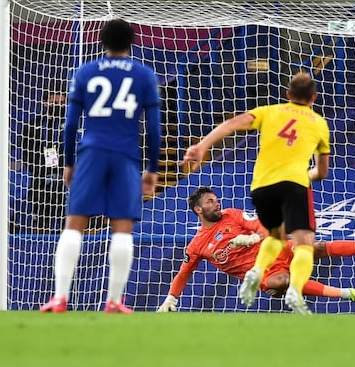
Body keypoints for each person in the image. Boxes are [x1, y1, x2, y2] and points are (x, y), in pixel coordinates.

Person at [182, 71, 330, 315]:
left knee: (275, 235)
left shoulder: (270, 111)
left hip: (261, 186)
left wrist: (202, 145)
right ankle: (294, 288)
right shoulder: (318, 124)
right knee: (305, 243)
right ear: (314, 97)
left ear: (288, 94)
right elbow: (321, 172)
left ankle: (256, 271)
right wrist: (308, 175)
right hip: (293, 184)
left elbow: (232, 124)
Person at [40, 19, 161, 314]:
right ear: (132, 42)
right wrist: (152, 168)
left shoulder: (86, 71)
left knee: (75, 223)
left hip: (91, 151)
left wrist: (69, 162)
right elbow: (154, 128)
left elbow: (70, 125)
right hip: (126, 154)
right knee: (122, 227)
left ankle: (59, 298)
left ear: (101, 41)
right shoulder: (144, 74)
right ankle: (114, 301)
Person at [156, 186, 355, 311]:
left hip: (273, 251)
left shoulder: (231, 215)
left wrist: (253, 238)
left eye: (216, 199)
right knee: (282, 281)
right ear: (199, 210)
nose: (216, 203)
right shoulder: (197, 245)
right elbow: (184, 273)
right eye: (210, 202)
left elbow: (258, 225)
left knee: (312, 247)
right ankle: (347, 293)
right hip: (264, 275)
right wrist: (171, 298)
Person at [18, 90, 69, 233]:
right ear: (45, 103)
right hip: (40, 181)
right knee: (40, 225)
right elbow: (27, 155)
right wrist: (45, 172)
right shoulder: (33, 125)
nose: (59, 106)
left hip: (68, 182)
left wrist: (62, 171)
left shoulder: (75, 124)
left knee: (69, 228)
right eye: (54, 103)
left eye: (62, 103)